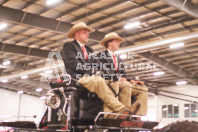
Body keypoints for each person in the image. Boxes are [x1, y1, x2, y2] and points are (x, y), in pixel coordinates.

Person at [61, 22, 140, 118]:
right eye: (85, 32)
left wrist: (114, 76)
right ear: (77, 34)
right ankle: (120, 109)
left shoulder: (89, 49)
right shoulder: (69, 46)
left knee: (115, 83)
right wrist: (92, 72)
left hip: (89, 78)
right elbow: (74, 64)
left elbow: (99, 65)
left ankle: (124, 114)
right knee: (98, 80)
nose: (88, 34)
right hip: (78, 78)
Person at [97, 32, 148, 116]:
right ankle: (125, 113)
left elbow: (123, 75)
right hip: (109, 82)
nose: (119, 43)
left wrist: (132, 81)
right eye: (116, 41)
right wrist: (118, 78)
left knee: (143, 89)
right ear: (109, 42)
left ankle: (139, 115)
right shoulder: (100, 56)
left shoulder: (119, 59)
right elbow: (104, 71)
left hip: (121, 82)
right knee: (125, 85)